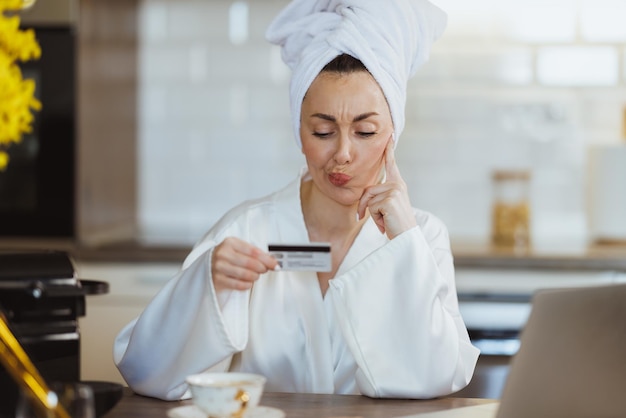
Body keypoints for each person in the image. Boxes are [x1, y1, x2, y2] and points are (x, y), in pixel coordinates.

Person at [113, 0, 479, 401]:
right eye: (322, 132)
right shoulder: (247, 230)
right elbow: (146, 372)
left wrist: (404, 243)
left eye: (366, 131)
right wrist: (206, 286)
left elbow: (439, 377)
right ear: (298, 130)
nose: (342, 153)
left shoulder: (422, 236)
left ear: (394, 132)